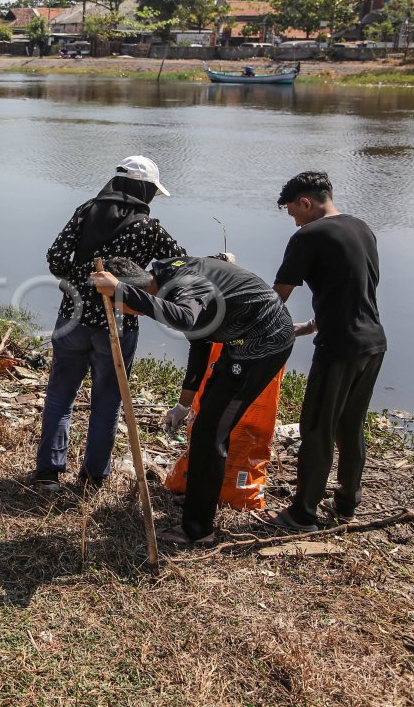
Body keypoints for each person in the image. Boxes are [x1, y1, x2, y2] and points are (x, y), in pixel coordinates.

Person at [92, 255, 295, 545]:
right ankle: (202, 496)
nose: (121, 310)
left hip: (261, 347)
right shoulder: (163, 276)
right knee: (206, 425)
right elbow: (199, 340)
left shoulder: (184, 287)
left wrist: (121, 291)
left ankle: (198, 529)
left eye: (119, 305)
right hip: (238, 342)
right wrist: (184, 404)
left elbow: (184, 317)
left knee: (210, 433)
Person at [33, 156, 186, 494]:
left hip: (72, 318)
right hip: (117, 325)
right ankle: (92, 478)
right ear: (143, 189)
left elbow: (56, 258)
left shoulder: (86, 210)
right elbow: (181, 265)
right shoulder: (149, 228)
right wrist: (144, 283)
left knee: (60, 394)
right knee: (107, 400)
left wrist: (79, 279)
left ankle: (48, 474)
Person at [265, 172, 387, 532]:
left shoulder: (308, 235)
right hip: (374, 342)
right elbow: (356, 285)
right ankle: (347, 503)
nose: (294, 219)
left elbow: (277, 297)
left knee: (317, 428)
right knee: (350, 425)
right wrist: (316, 321)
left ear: (305, 202)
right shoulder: (362, 228)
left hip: (339, 346)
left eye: (293, 212)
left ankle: (303, 514)